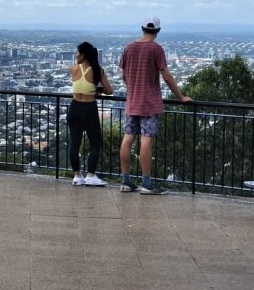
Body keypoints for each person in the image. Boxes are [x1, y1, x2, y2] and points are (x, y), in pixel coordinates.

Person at [118, 17, 191, 195]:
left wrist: (133, 88)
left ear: (142, 28)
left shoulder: (129, 48)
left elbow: (124, 76)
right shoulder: (156, 49)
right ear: (158, 31)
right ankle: (146, 183)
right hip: (150, 104)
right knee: (146, 141)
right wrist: (180, 96)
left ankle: (126, 181)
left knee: (127, 139)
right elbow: (166, 76)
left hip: (132, 102)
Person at [68, 42, 113, 187]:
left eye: (77, 53)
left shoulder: (73, 69)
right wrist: (97, 90)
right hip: (89, 109)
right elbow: (109, 90)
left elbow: (80, 85)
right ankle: (90, 175)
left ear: (83, 55)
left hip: (74, 108)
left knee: (74, 143)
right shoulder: (97, 70)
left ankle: (77, 176)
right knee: (95, 143)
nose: (76, 55)